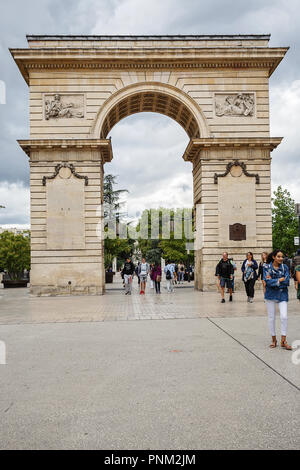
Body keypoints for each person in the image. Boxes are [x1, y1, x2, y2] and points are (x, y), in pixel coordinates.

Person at [264, 250, 292, 350]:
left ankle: (283, 341)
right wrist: (280, 280)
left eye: (282, 257)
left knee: (284, 317)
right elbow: (267, 282)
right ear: (274, 257)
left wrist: (274, 281)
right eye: (279, 256)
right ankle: (274, 339)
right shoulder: (266, 267)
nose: (281, 258)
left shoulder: (285, 267)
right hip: (270, 295)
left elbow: (287, 281)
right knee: (271, 318)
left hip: (282, 295)